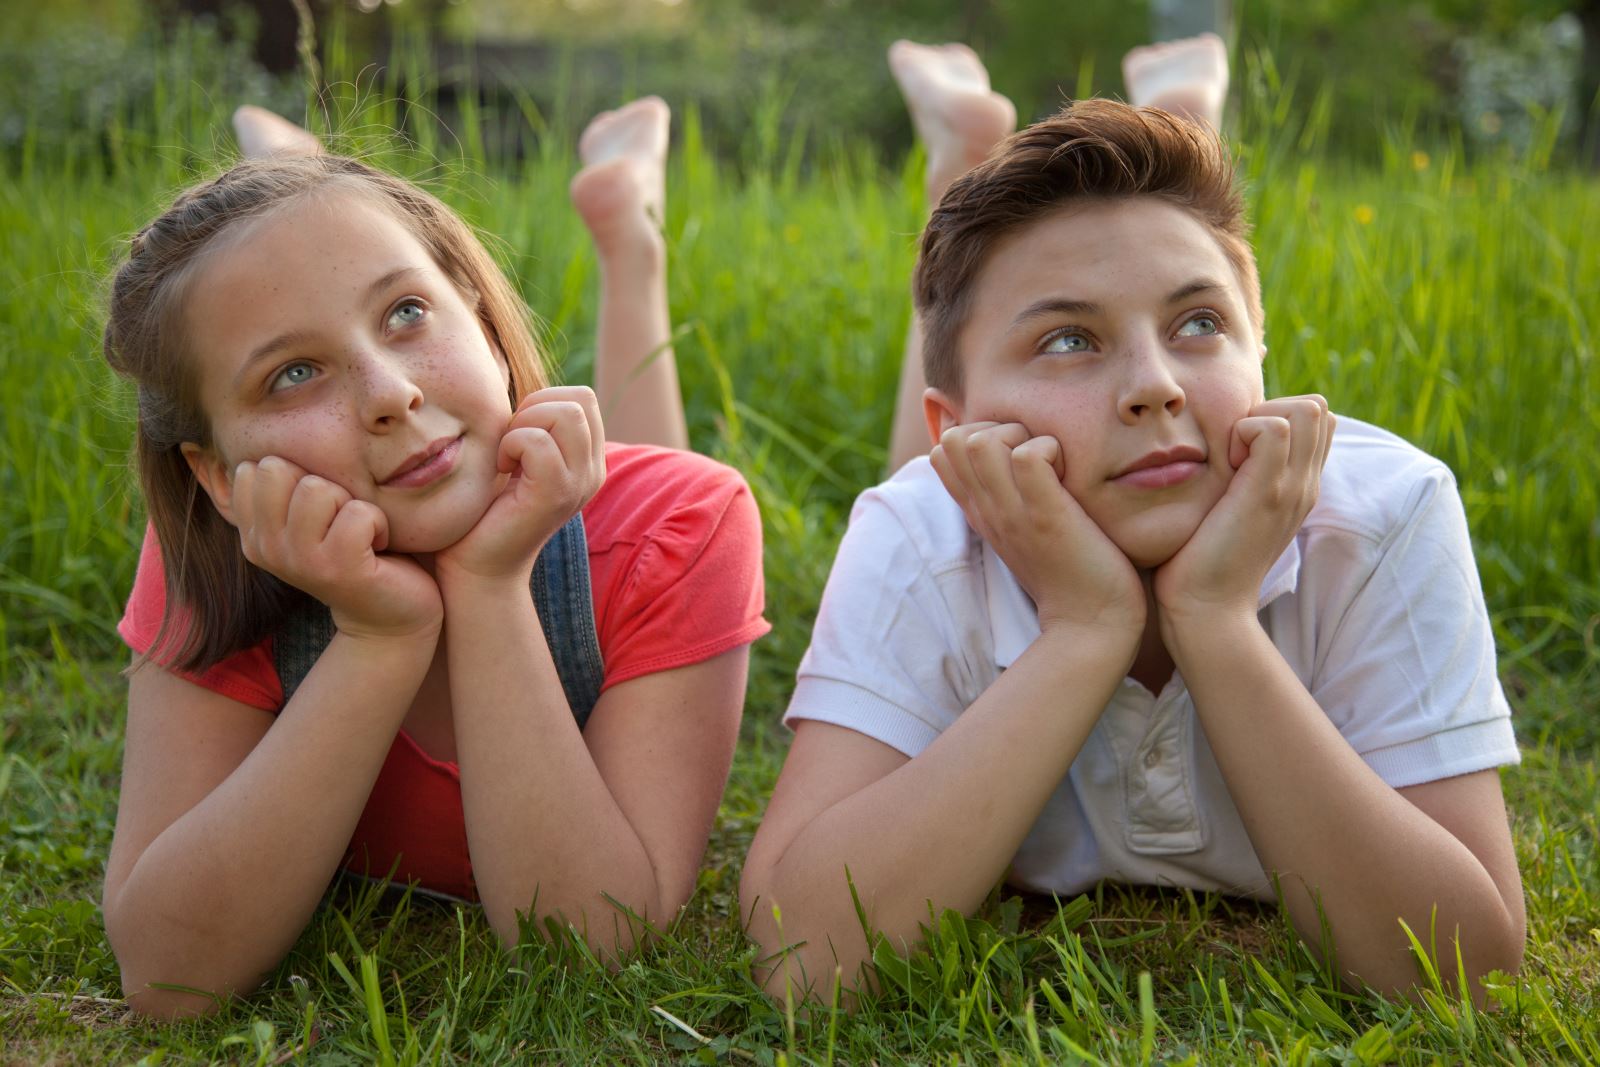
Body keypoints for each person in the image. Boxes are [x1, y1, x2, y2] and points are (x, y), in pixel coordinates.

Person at [741, 37, 1524, 1004]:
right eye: (1069, 340)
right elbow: (800, 959)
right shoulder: (916, 531)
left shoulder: (1384, 515)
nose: (1154, 387)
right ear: (960, 436)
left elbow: (1464, 976)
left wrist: (1218, 621)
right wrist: (1084, 629)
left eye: (1200, 323)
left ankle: (1183, 104)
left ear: (1262, 358)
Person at [101, 97, 769, 1019]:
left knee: (626, 478)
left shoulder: (689, 518)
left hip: (614, 517)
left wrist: (489, 583)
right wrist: (379, 637)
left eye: (408, 311)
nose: (391, 392)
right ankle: (292, 169)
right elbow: (168, 978)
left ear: (487, 323)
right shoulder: (220, 551)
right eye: (293, 373)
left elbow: (593, 947)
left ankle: (629, 240)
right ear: (218, 477)